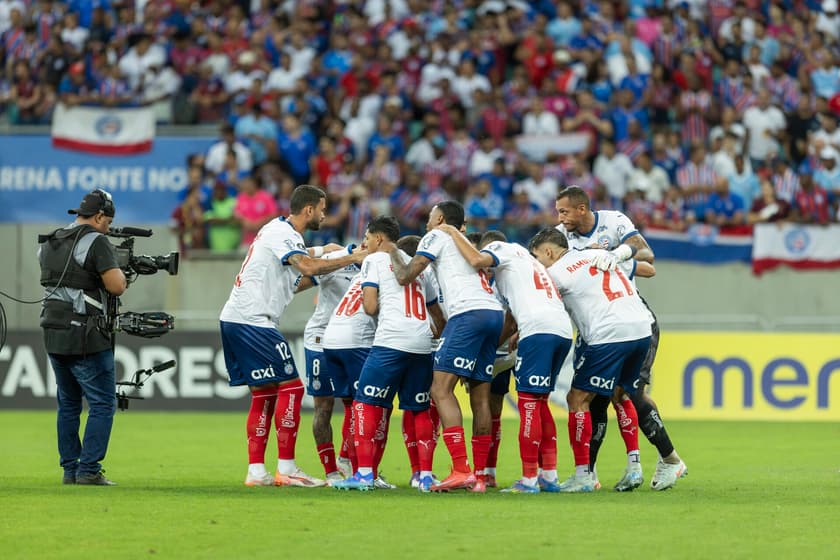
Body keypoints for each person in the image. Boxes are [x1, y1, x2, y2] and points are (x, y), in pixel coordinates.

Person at [219, 185, 367, 487]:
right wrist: (350, 257)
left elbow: (305, 262)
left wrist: (333, 251)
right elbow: (308, 266)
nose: (325, 215)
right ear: (309, 209)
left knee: (264, 394)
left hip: (236, 318)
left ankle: (256, 471)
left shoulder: (280, 232)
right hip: (254, 320)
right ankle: (286, 468)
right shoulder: (283, 234)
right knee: (293, 389)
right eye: (322, 209)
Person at [555, 186, 688, 491]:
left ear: (582, 209)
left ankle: (669, 459)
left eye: (564, 212)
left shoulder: (613, 221)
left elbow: (648, 259)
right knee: (599, 398)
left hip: (627, 320)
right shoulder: (561, 236)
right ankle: (591, 473)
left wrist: (617, 255)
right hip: (596, 326)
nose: (560, 219)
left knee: (628, 394)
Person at [434, 227, 573, 494]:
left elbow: (476, 260)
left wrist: (452, 232)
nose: (482, 273)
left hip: (538, 328)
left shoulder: (500, 249)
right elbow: (509, 320)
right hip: (560, 329)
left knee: (529, 404)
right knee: (541, 402)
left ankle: (529, 480)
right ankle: (549, 475)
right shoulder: (527, 263)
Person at [385, 201, 504, 492]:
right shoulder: (462, 239)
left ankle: (461, 469)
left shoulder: (437, 235)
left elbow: (405, 275)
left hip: (468, 314)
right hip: (493, 314)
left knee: (440, 389)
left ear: (439, 218)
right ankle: (481, 475)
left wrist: (392, 251)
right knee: (480, 395)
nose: (426, 223)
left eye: (429, 217)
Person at [529, 227, 651, 493]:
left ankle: (584, 475)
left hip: (609, 333)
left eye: (538, 258)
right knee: (622, 395)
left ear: (549, 252)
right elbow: (640, 253)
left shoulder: (556, 273)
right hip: (642, 328)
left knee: (577, 399)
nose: (539, 265)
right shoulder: (594, 255)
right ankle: (634, 467)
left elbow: (537, 304)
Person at [333, 217, 443, 492]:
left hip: (391, 340)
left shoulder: (375, 260)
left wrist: (389, 307)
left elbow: (369, 307)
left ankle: (365, 475)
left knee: (365, 403)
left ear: (379, 239)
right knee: (418, 408)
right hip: (421, 343)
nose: (366, 244)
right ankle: (425, 476)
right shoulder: (420, 264)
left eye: (368, 239)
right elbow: (438, 317)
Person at [38, 189, 127, 486]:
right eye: (108, 221)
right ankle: (88, 469)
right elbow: (116, 286)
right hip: (86, 335)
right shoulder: (97, 241)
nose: (108, 228)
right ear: (99, 216)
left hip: (52, 331)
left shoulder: (50, 241)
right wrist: (120, 270)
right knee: (102, 403)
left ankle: (70, 469)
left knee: (68, 403)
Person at [302, 244, 362, 485]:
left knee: (357, 404)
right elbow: (299, 270)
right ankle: (330, 472)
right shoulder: (335, 258)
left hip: (354, 340)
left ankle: (348, 461)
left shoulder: (378, 265)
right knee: (323, 406)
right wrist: (322, 249)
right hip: (321, 338)